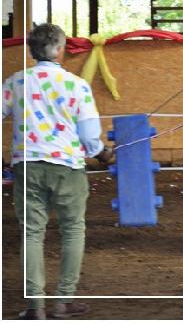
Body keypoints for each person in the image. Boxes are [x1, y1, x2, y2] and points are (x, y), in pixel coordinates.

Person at [2, 23, 113, 320]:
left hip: (27, 165)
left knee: (31, 233)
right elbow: (90, 135)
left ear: (31, 50)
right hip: (68, 168)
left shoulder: (15, 82)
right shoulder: (77, 85)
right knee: (73, 229)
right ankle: (63, 301)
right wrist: (102, 153)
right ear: (61, 50)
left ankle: (34, 306)